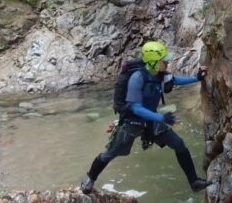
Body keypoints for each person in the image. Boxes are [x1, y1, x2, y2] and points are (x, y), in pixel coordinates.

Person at [80, 40, 210, 194]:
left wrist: (197, 77)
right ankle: (90, 180)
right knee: (110, 153)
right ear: (154, 62)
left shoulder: (160, 74)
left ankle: (194, 181)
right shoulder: (137, 77)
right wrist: (161, 118)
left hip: (152, 120)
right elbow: (135, 107)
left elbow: (174, 80)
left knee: (179, 144)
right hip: (132, 121)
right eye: (164, 60)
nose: (167, 62)